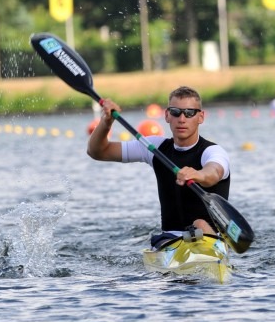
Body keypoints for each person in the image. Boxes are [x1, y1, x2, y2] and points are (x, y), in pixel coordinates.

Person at [87, 86, 231, 250]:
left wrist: (198, 175)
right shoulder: (154, 147)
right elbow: (97, 151)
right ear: (167, 115)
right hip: (169, 242)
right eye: (176, 112)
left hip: (209, 238)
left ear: (201, 117)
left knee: (200, 223)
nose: (182, 119)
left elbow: (214, 172)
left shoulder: (212, 151)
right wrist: (106, 122)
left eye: (189, 113)